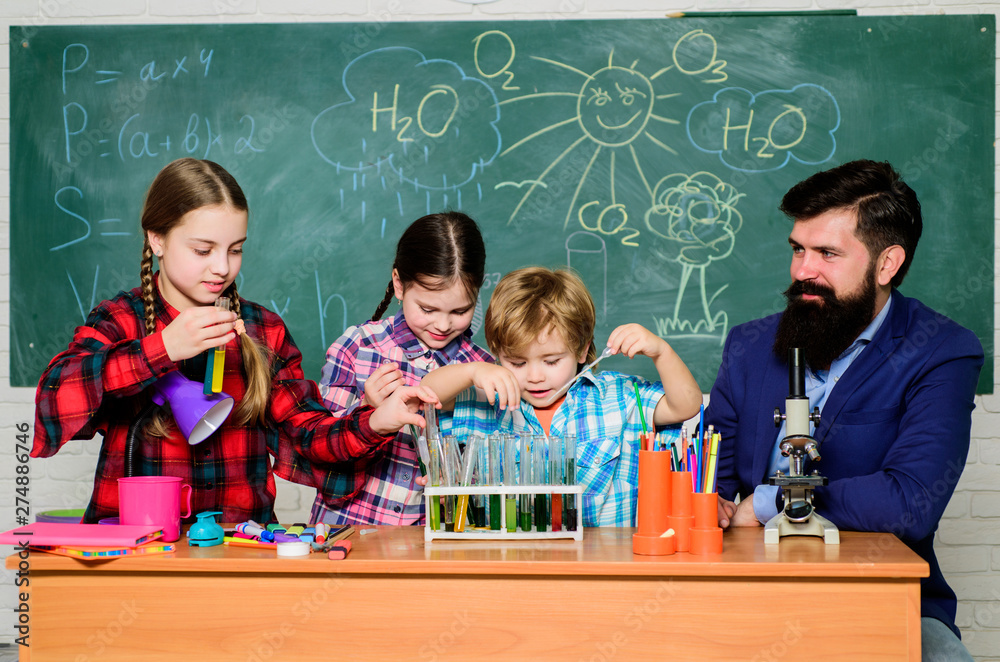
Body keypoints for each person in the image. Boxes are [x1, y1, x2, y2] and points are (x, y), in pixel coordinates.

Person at [31, 158, 436, 525]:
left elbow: (309, 436)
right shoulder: (121, 319)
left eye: (235, 249)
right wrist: (162, 349)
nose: (222, 267)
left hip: (240, 552)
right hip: (137, 554)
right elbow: (54, 400)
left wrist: (376, 421)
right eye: (202, 250)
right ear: (157, 239)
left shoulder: (263, 329)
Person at [705, 159, 982, 661]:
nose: (802, 271)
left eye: (827, 253)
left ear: (887, 264)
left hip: (882, 595)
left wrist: (767, 504)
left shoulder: (942, 351)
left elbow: (910, 503)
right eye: (798, 249)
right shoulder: (748, 347)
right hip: (750, 588)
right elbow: (710, 491)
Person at [422, 267, 702, 527]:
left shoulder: (618, 397)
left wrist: (661, 352)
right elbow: (427, 395)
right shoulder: (487, 401)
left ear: (582, 351)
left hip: (605, 559)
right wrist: (471, 371)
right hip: (512, 559)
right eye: (517, 363)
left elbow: (686, 405)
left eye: (552, 361)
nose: (535, 376)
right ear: (498, 354)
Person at [309, 212, 494, 526]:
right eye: (427, 309)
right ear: (399, 284)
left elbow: (493, 464)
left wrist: (465, 481)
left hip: (429, 541)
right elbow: (317, 446)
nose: (443, 324)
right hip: (346, 533)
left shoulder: (483, 371)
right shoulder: (359, 346)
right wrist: (366, 410)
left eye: (460, 310)